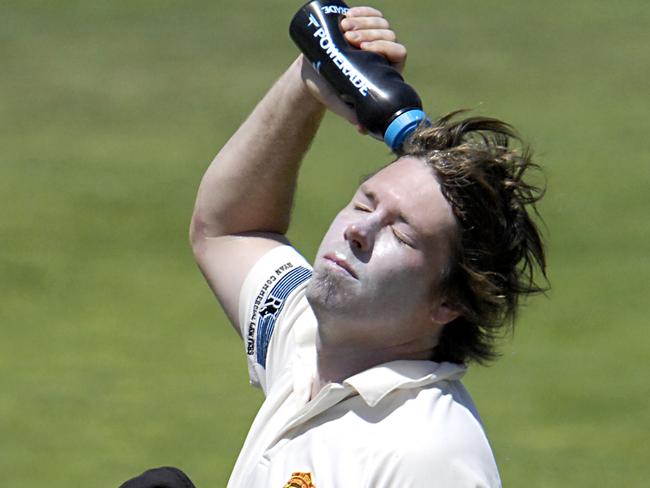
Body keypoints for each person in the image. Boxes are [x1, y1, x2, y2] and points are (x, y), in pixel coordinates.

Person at [189, 5, 546, 487]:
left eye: (401, 233)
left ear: (450, 300)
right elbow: (230, 228)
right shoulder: (305, 343)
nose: (359, 230)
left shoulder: (426, 454)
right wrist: (311, 81)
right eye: (363, 204)